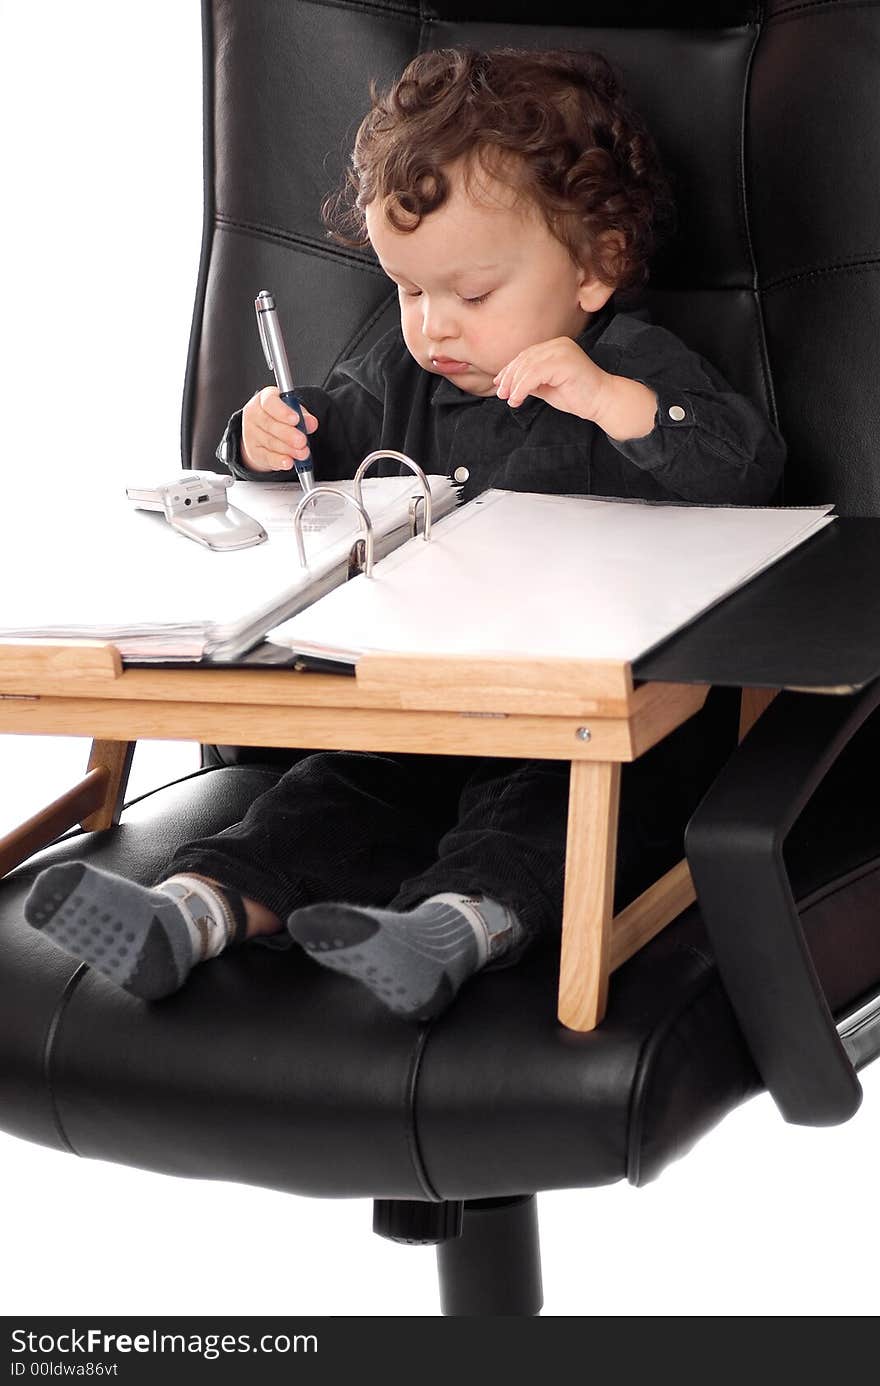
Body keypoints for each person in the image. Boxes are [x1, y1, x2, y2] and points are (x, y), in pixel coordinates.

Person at [24, 47, 785, 1021]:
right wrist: (260, 436)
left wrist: (612, 402)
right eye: (408, 291)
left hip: (574, 729)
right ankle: (188, 912)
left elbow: (744, 470)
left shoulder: (631, 364)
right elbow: (320, 441)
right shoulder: (401, 370)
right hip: (422, 715)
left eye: (470, 296)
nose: (434, 329)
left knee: (539, 824)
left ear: (596, 266)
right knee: (327, 797)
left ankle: (451, 928)